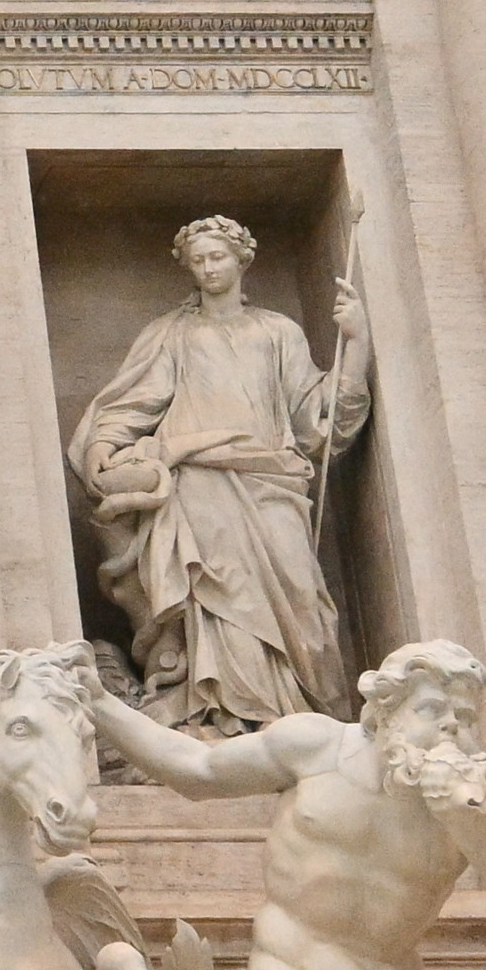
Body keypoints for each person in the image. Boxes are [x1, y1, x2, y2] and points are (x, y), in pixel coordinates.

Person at [105, 640, 486, 970]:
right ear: (383, 714)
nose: (450, 727)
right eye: (431, 709)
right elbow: (196, 769)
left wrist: (477, 832)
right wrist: (96, 703)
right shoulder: (316, 748)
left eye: (464, 716)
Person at [71, 213, 368, 727]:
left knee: (300, 599)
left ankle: (294, 712)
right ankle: (221, 712)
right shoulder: (172, 333)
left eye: (218, 257)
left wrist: (357, 343)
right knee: (216, 592)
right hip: (201, 480)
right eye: (198, 261)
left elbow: (317, 420)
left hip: (271, 480)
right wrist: (104, 440)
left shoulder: (279, 331)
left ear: (241, 259)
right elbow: (134, 401)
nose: (208, 269)